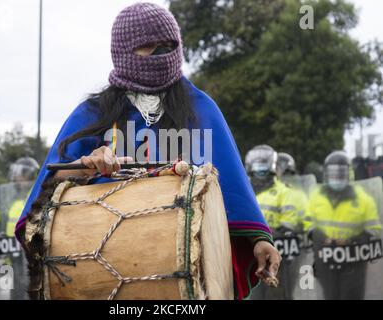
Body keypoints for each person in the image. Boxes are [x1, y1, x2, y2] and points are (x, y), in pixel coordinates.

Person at [15, 2, 281, 300]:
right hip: (103, 273)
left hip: (188, 281)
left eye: (169, 45)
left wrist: (259, 241)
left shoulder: (200, 110)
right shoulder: (92, 115)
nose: (162, 54)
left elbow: (230, 186)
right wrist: (84, 167)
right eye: (149, 46)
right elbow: (42, 206)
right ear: (124, 52)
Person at [304, 151, 382, 300]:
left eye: (341, 173)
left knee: (352, 296)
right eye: (333, 173)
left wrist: (351, 241)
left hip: (354, 262)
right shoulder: (316, 197)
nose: (337, 178)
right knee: (330, 296)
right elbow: (308, 224)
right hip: (325, 259)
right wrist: (320, 237)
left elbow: (375, 231)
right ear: (326, 174)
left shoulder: (363, 199)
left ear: (349, 173)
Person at [245, 145, 298, 300]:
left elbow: (290, 222)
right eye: (257, 165)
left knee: (277, 294)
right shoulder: (246, 191)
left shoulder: (284, 191)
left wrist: (270, 235)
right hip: (249, 255)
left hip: (277, 255)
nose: (260, 169)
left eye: (264, 165)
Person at [4, 157, 39, 300]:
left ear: (32, 175)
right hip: (13, 255)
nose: (18, 177)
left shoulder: (35, 195)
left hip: (28, 255)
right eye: (17, 173)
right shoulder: (15, 199)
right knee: (14, 291)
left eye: (22, 173)